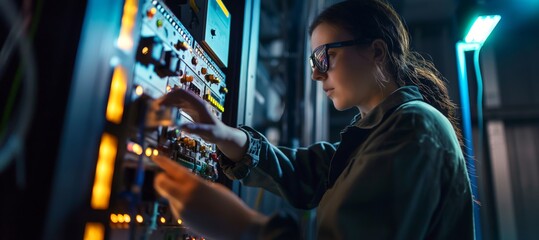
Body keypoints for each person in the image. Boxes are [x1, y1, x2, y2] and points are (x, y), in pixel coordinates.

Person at [152, 0, 475, 239]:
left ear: (377, 51)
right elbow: (303, 172)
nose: (317, 74)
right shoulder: (377, 135)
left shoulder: (415, 127)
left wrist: (243, 227)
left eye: (325, 56)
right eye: (313, 61)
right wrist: (223, 134)